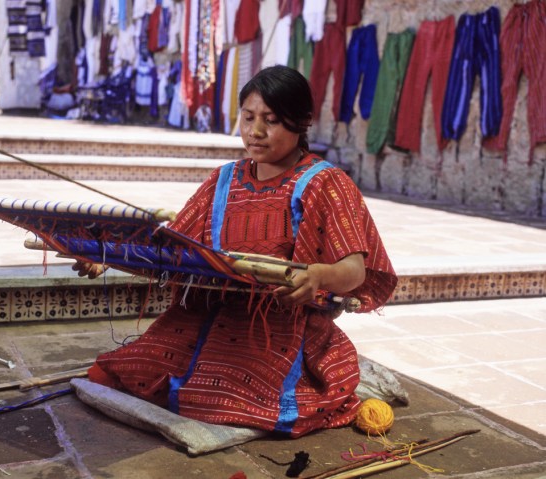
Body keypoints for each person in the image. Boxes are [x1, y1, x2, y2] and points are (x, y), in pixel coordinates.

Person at [80, 65, 397, 438]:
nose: (255, 131)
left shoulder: (325, 182)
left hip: (281, 327)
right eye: (247, 117)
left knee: (237, 402)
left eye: (271, 120)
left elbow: (354, 269)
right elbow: (174, 252)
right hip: (205, 318)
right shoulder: (224, 180)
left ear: (301, 122)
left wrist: (317, 276)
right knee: (117, 371)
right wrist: (107, 256)